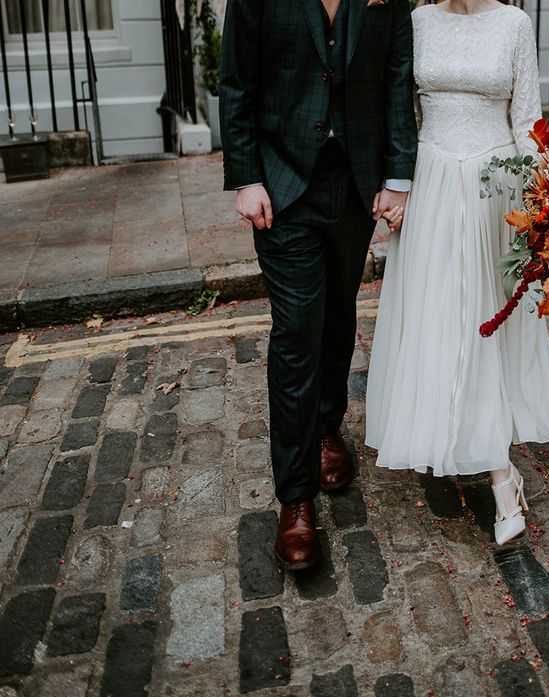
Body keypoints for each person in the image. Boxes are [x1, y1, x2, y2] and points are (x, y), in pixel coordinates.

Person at [365, 0, 549, 545]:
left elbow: (527, 120)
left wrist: (544, 201)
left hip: (494, 189)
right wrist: (397, 184)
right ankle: (448, 433)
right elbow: (399, 110)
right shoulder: (417, 20)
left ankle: (502, 475)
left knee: (483, 322)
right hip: (431, 179)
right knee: (439, 318)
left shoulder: (514, 24)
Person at [220, 0, 418, 570]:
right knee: (297, 331)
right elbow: (236, 83)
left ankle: (329, 427)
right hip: (284, 190)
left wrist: (398, 176)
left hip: (355, 185)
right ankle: (296, 497)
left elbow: (396, 81)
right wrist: (247, 177)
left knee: (337, 318)